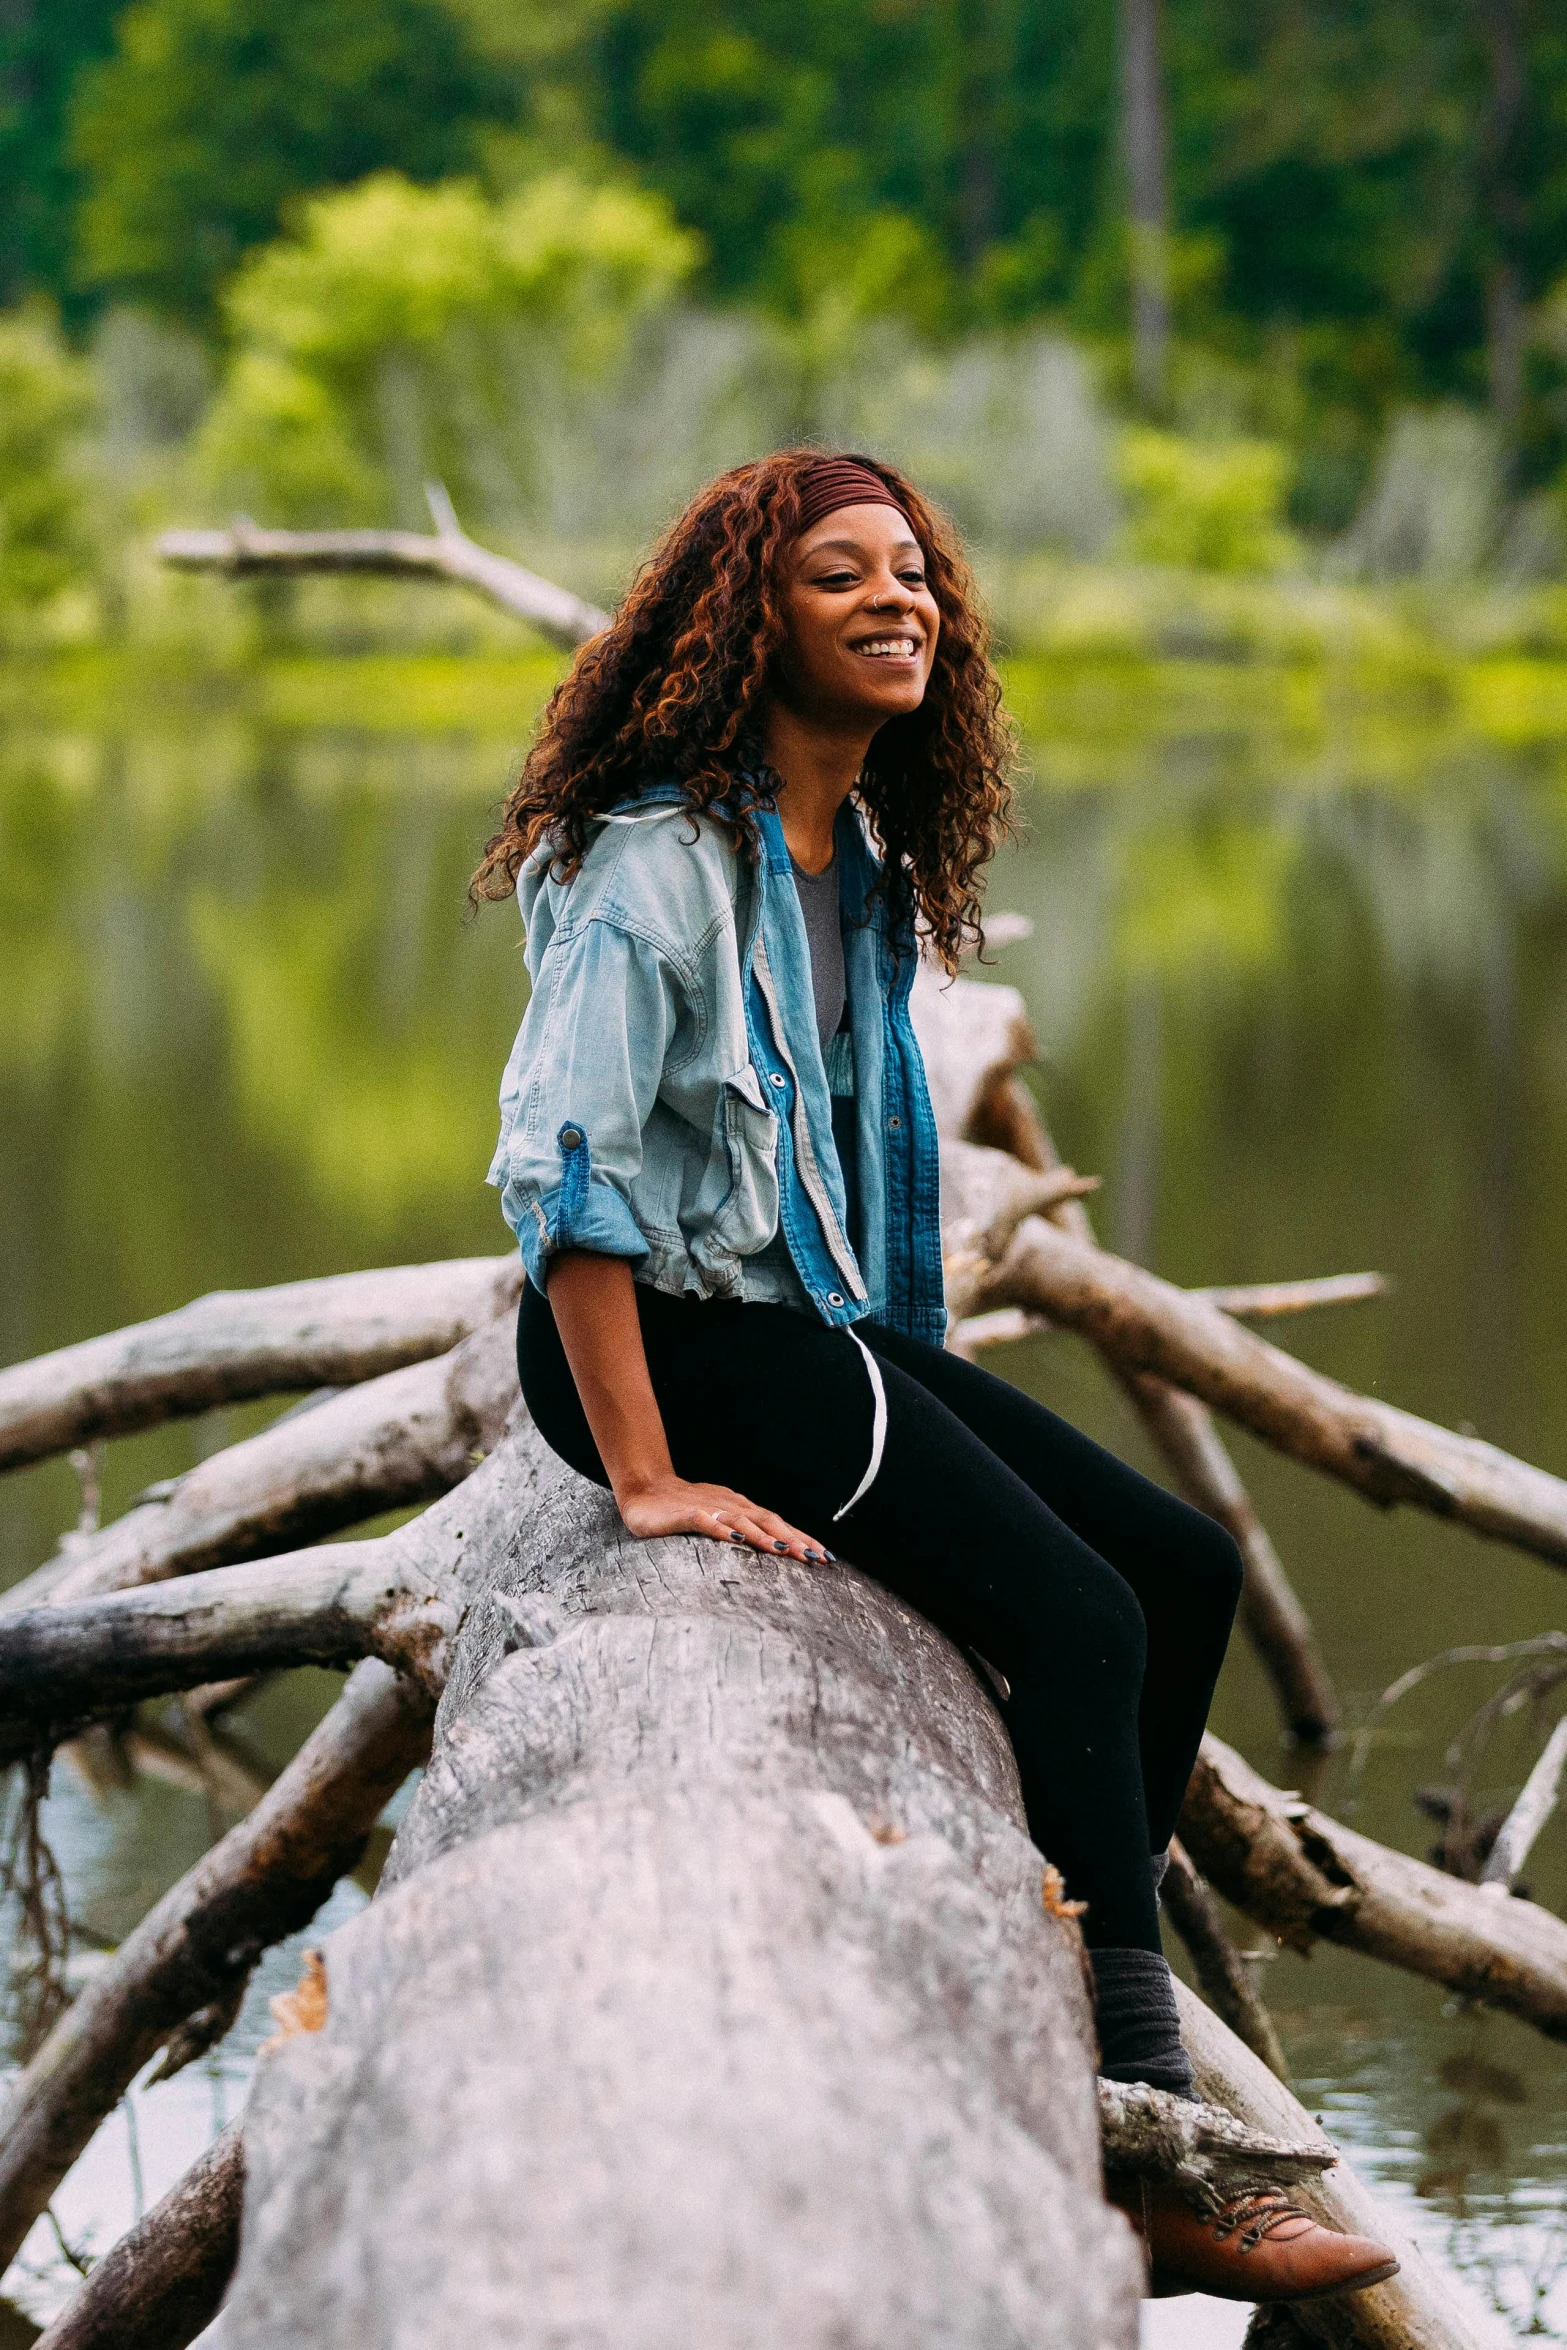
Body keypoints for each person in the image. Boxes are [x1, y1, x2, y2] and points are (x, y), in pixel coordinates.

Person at [473, 450, 1397, 2304]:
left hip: (806, 1330)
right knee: (1078, 1622)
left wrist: (921, 1421)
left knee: (1180, 1569)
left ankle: (1065, 1972)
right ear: (755, 618)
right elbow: (564, 1178)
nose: (897, 599)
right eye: (840, 574)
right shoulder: (659, 859)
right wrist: (646, 1480)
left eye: (912, 573)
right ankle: (1137, 2134)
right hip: (673, 1346)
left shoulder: (863, 863)